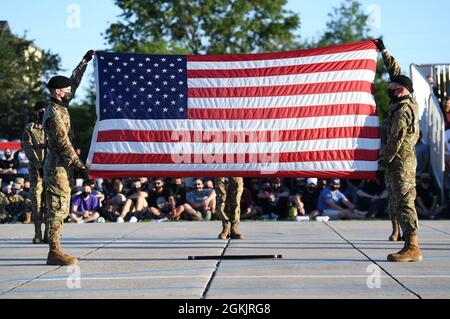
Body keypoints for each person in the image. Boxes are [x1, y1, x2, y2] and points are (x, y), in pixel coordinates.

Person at [43, 49, 94, 266]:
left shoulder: (62, 104)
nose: (69, 91)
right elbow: (63, 144)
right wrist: (80, 165)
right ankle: (54, 252)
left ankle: (55, 247)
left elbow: (74, 81)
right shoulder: (54, 114)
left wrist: (84, 61)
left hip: (63, 166)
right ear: (56, 91)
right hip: (57, 166)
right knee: (58, 206)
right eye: (65, 90)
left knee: (62, 206)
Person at [376, 39, 422, 262]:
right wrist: (383, 51)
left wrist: (383, 160)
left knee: (404, 201)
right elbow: (396, 71)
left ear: (403, 89)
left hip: (400, 161)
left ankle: (412, 247)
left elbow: (395, 138)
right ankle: (405, 240)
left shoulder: (403, 109)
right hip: (400, 161)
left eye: (394, 87)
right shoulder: (404, 98)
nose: (390, 88)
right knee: (398, 200)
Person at [22, 101, 48, 244]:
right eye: (40, 111)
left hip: (51, 170)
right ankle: (38, 234)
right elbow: (27, 147)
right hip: (36, 172)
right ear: (36, 112)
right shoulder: (30, 128)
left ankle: (48, 234)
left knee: (49, 203)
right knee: (37, 202)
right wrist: (38, 166)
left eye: (44, 110)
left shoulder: (53, 126)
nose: (42, 113)